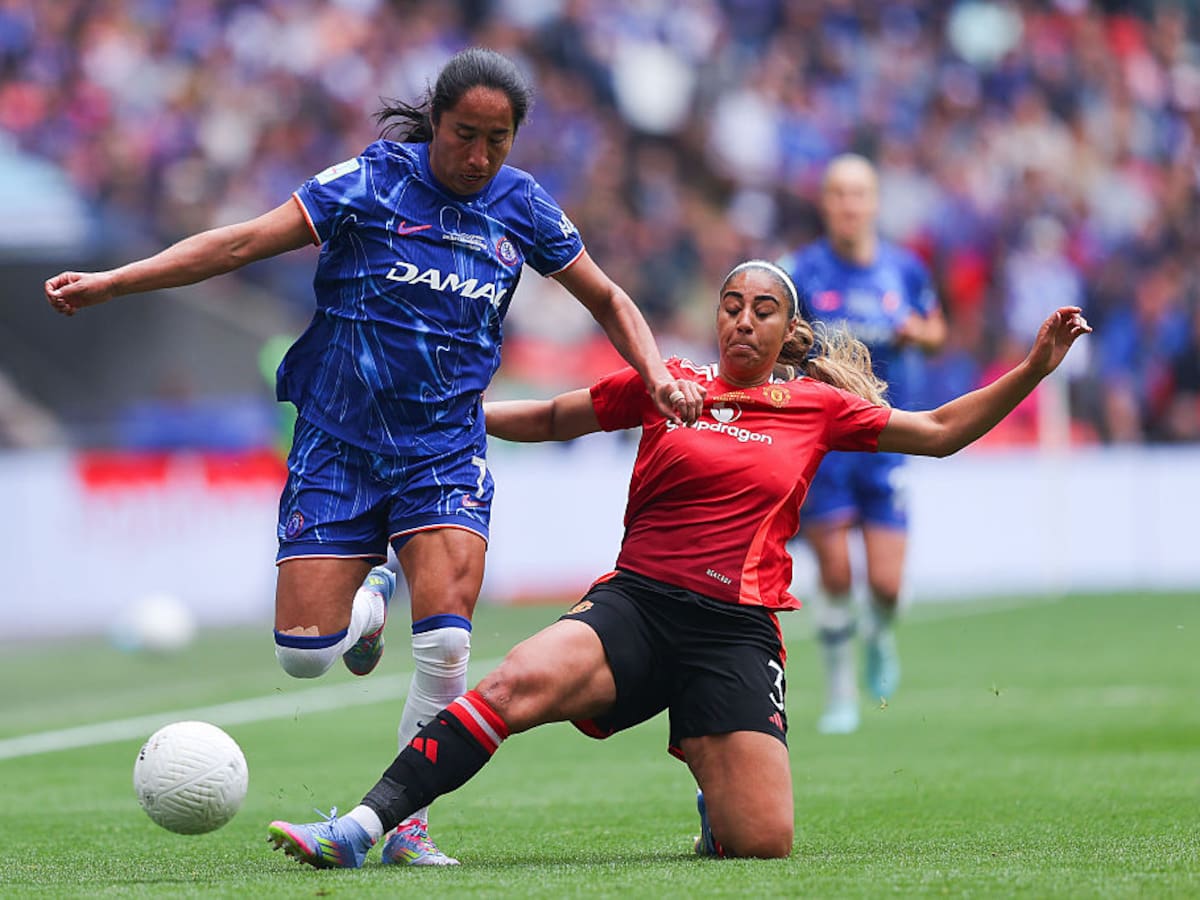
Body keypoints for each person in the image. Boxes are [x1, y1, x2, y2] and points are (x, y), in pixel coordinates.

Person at [43, 46, 704, 866]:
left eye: (498, 140)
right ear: (437, 122)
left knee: (449, 645)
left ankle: (406, 824)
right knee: (304, 654)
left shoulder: (522, 205)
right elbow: (244, 243)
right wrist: (115, 282)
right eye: (466, 135)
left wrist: (655, 373)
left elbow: (607, 296)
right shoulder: (369, 182)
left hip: (444, 449)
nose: (479, 157)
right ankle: (369, 605)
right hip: (338, 444)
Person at [264, 259, 1090, 865]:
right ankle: (361, 829)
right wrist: (453, 419)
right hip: (638, 607)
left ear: (788, 332)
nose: (742, 320)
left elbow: (941, 432)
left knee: (762, 843)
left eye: (762, 310)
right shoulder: (670, 383)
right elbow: (555, 416)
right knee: (512, 685)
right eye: (731, 304)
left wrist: (1033, 368)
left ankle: (710, 769)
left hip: (737, 634)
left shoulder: (816, 407)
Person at [777, 153, 948, 734]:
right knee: (836, 574)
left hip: (887, 436)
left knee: (886, 585)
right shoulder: (800, 271)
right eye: (838, 194)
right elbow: (779, 336)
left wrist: (917, 332)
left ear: (873, 203)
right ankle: (840, 692)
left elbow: (936, 330)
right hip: (826, 443)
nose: (849, 205)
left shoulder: (905, 269)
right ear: (825, 203)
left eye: (859, 194)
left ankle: (879, 636)